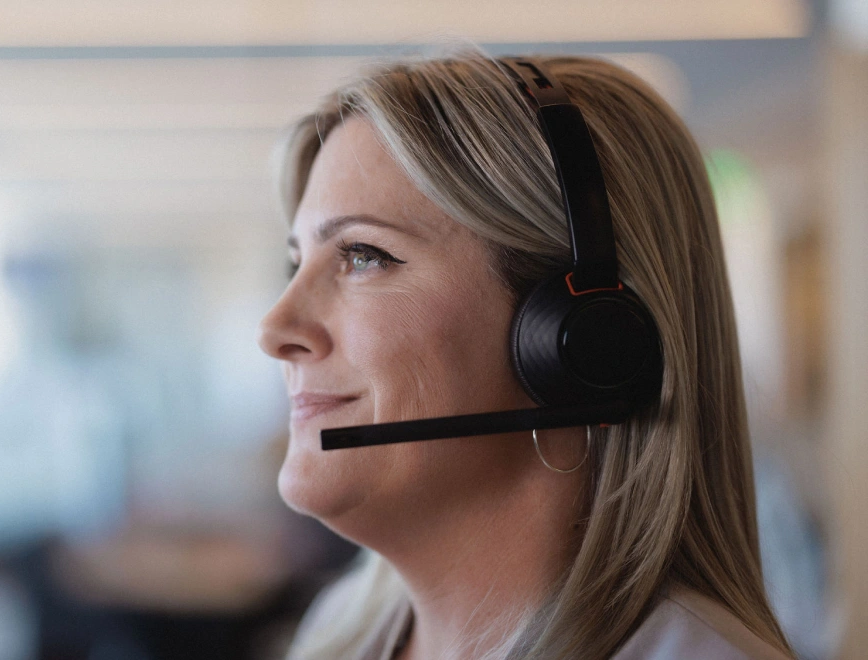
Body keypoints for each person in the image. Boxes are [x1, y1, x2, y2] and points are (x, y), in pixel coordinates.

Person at [256, 52, 795, 659]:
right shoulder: (336, 634)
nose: (275, 327)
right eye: (296, 263)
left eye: (362, 255)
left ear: (583, 341)